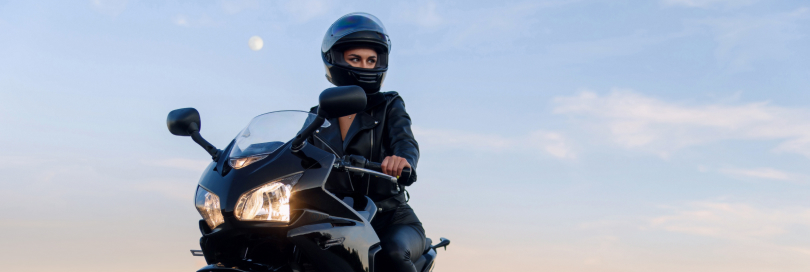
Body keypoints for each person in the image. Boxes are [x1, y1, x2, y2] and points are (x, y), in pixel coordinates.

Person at [308, 12, 426, 272]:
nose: (364, 66)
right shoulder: (318, 117)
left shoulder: (389, 104)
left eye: (371, 60)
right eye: (355, 59)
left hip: (390, 218)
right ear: (335, 60)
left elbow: (405, 141)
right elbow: (294, 153)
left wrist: (402, 161)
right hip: (338, 221)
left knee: (392, 253)